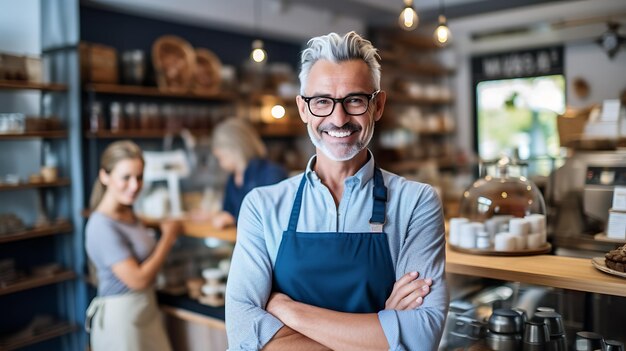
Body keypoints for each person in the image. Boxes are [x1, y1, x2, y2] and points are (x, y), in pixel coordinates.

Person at [225, 31, 448, 350]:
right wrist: (380, 333)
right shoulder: (262, 206)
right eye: (322, 102)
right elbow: (244, 333)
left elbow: (421, 336)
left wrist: (287, 310)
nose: (338, 118)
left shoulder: (416, 203)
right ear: (303, 109)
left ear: (378, 105)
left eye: (355, 100)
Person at [85, 140, 181, 351]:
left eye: (139, 177)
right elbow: (138, 279)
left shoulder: (128, 213)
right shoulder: (100, 226)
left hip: (145, 309)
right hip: (122, 320)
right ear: (105, 176)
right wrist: (168, 237)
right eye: (126, 177)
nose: (135, 185)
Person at [209, 118, 288, 228]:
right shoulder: (232, 179)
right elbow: (226, 211)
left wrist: (234, 219)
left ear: (235, 150)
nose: (220, 163)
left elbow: (274, 216)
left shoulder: (272, 173)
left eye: (221, 157)